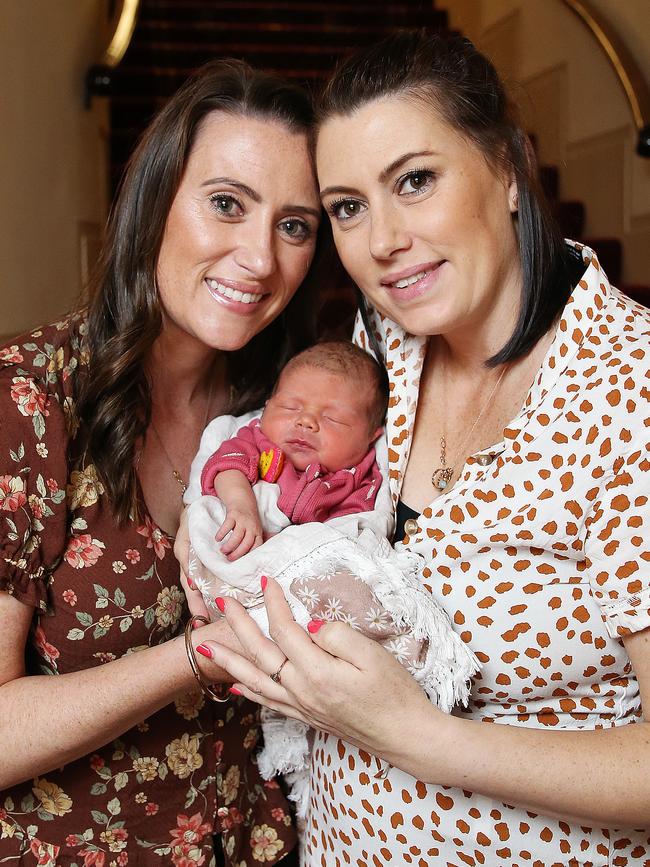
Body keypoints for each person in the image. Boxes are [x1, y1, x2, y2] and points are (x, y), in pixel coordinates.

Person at [186, 30, 650, 866]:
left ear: (509, 168)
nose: (383, 241)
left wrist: (418, 737)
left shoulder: (629, 390)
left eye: (415, 181)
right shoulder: (386, 341)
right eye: (348, 207)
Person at [0, 57, 332, 865]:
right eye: (227, 204)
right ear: (155, 202)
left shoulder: (290, 404)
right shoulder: (29, 403)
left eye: (295, 224)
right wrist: (194, 659)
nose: (260, 258)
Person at [183, 340, 478, 819]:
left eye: (333, 419)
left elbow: (365, 535)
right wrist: (240, 506)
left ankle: (426, 671)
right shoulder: (262, 448)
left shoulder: (363, 473)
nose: (305, 423)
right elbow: (227, 466)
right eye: (290, 407)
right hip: (256, 560)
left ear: (372, 436)